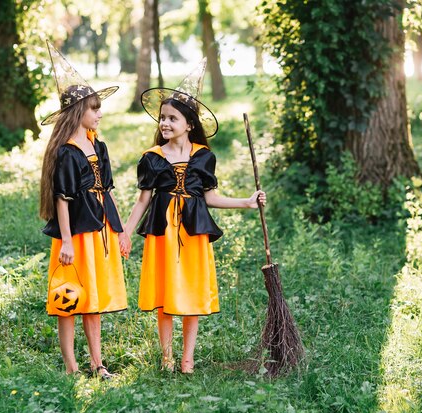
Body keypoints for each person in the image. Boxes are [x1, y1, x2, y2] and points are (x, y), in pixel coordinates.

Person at [121, 59, 266, 374]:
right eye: (162, 118)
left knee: (190, 290)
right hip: (163, 235)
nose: (165, 123)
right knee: (165, 293)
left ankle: (187, 358)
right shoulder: (152, 158)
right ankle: (167, 356)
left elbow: (209, 197)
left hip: (193, 233)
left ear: (189, 124)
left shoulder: (203, 156)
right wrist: (126, 232)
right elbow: (143, 199)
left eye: (172, 118)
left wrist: (246, 202)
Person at [39, 42, 128, 380]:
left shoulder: (98, 146)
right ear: (79, 112)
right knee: (69, 299)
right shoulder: (66, 152)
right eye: (94, 108)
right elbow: (62, 199)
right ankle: (72, 367)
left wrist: (119, 231)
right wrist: (65, 241)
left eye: (99, 108)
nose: (99, 114)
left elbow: (107, 190)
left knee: (93, 298)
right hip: (75, 234)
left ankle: (97, 363)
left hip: (100, 231)